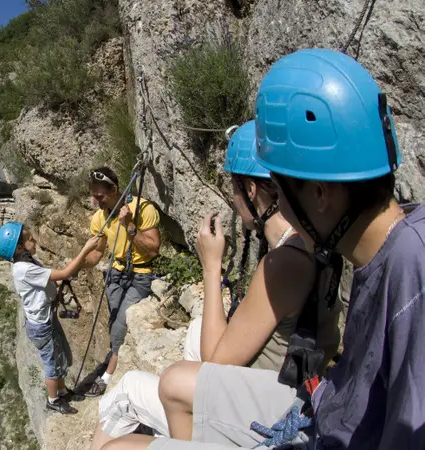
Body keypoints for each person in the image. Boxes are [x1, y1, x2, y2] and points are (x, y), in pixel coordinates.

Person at [103, 48, 425, 450]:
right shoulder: (380, 258)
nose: (284, 210)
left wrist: (211, 265)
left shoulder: (413, 272)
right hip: (322, 414)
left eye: (283, 190)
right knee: (173, 383)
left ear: (321, 193)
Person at [89, 120, 342, 449]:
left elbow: (217, 362)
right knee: (196, 331)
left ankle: (188, 435)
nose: (235, 201)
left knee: (126, 391)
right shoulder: (313, 241)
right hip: (289, 384)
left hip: (270, 410)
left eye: (235, 189)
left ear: (250, 191)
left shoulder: (285, 262)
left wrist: (211, 266)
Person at [0, 221, 100, 414]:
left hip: (45, 320)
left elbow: (53, 278)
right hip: (41, 326)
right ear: (19, 247)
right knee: (52, 362)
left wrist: (63, 278)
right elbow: (64, 273)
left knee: (58, 357)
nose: (34, 241)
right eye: (30, 239)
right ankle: (53, 400)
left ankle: (61, 391)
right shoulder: (25, 269)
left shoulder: (28, 262)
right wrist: (85, 249)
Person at [81, 167, 162, 397]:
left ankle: (107, 376)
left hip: (140, 274)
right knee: (115, 320)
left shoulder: (142, 209)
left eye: (100, 195)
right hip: (116, 275)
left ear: (115, 189)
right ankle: (118, 356)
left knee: (119, 325)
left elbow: (154, 249)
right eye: (93, 195)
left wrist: (129, 226)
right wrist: (75, 267)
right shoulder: (100, 217)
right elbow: (97, 254)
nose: (95, 200)